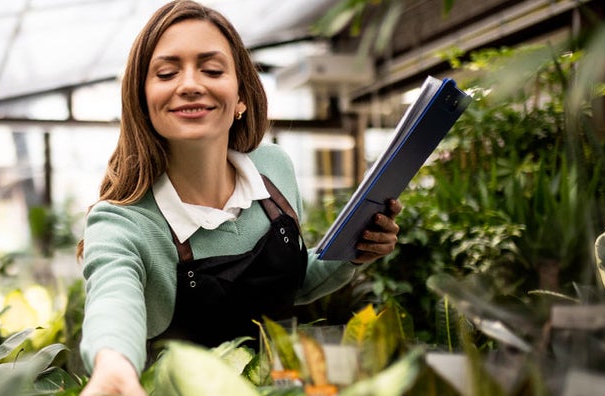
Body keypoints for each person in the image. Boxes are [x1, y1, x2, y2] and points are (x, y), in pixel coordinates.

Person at [77, 1, 402, 395]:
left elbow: (293, 284)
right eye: (166, 73)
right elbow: (113, 299)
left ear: (241, 97)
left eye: (212, 69)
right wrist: (113, 362)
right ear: (143, 101)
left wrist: (355, 248)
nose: (190, 84)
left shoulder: (274, 171)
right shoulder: (125, 222)